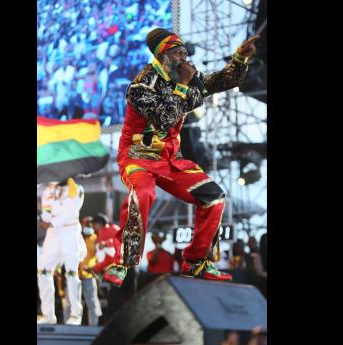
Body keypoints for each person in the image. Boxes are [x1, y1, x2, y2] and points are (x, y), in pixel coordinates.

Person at [103, 27, 259, 287]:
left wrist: (240, 58)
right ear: (163, 55)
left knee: (214, 197)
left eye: (186, 53)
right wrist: (185, 85)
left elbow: (221, 81)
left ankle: (197, 261)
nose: (185, 59)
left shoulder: (185, 75)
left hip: (171, 160)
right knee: (142, 194)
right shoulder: (141, 85)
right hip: (137, 158)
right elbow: (166, 118)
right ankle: (122, 261)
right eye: (179, 53)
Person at [37, 178, 87, 324]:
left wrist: (52, 221)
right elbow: (46, 212)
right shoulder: (47, 191)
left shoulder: (76, 189)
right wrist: (45, 218)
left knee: (71, 273)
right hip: (52, 235)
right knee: (43, 271)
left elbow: (71, 212)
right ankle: (48, 315)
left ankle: (75, 315)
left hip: (70, 234)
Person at [74, 216, 103, 326]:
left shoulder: (96, 238)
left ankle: (94, 327)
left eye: (91, 224)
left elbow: (100, 255)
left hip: (89, 276)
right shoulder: (76, 238)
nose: (89, 226)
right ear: (82, 224)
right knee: (73, 303)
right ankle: (72, 326)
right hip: (75, 275)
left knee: (92, 302)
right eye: (87, 224)